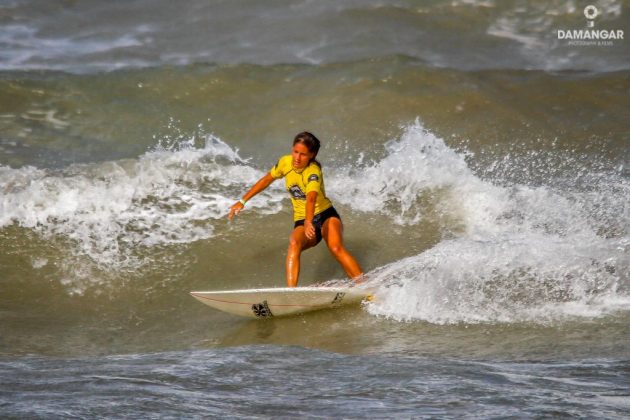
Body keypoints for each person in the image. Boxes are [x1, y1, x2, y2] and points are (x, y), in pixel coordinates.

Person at [228, 132, 363, 287]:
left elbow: (311, 198)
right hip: (302, 219)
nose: (297, 158)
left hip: (326, 215)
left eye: (303, 154)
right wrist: (242, 201)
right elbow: (266, 179)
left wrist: (309, 221)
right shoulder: (285, 163)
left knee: (335, 247)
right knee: (294, 242)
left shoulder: (313, 172)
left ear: (312, 155)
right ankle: (291, 292)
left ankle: (363, 285)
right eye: (295, 152)